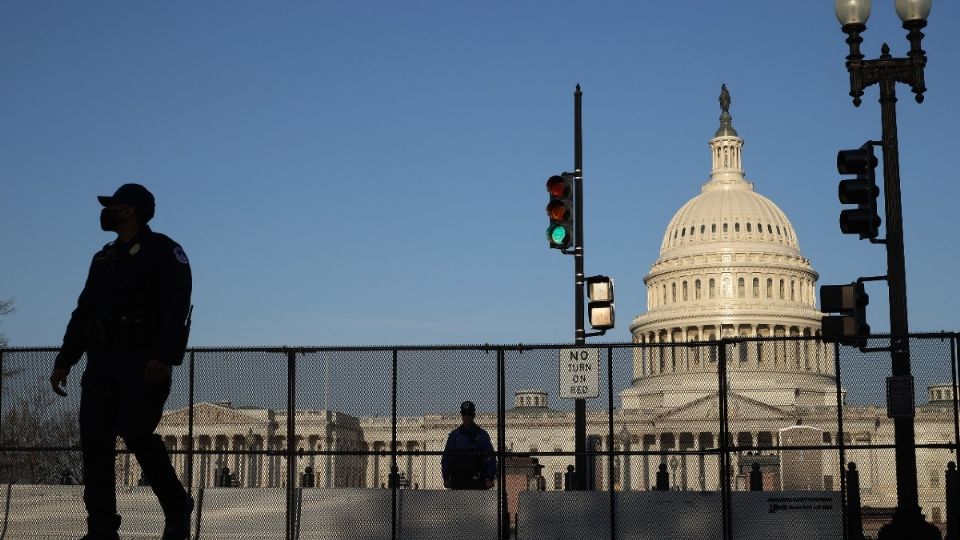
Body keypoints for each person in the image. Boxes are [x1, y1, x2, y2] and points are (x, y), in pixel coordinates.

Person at [49, 183, 194, 540]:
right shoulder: (104, 258)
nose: (106, 212)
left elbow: (177, 307)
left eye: (112, 206)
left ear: (129, 210)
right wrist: (66, 359)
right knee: (94, 441)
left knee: (136, 433)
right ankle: (101, 527)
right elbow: (84, 312)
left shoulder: (164, 251)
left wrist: (163, 356)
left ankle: (177, 506)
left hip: (144, 361)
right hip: (102, 362)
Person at [441, 401, 497, 490]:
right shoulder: (454, 436)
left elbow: (490, 457)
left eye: (469, 414)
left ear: (473, 415)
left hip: (478, 480)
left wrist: (490, 477)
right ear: (461, 415)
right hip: (458, 479)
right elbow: (446, 458)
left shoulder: (482, 435)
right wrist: (446, 477)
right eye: (464, 414)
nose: (466, 417)